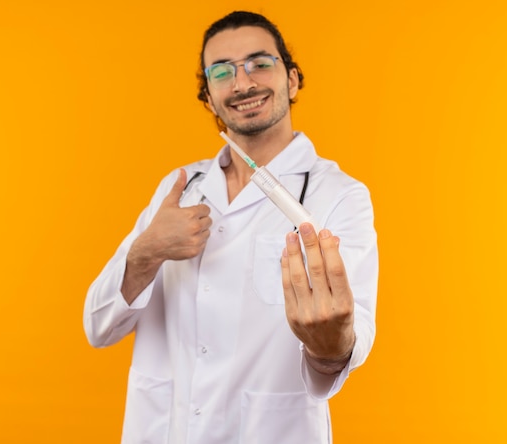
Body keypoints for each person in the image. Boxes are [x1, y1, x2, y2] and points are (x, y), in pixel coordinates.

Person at [84, 10, 378, 444]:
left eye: (260, 63)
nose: (242, 83)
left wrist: (330, 343)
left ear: (292, 80)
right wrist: (147, 251)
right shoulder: (180, 187)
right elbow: (99, 327)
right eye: (222, 72)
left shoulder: (338, 194)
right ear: (208, 98)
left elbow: (348, 345)